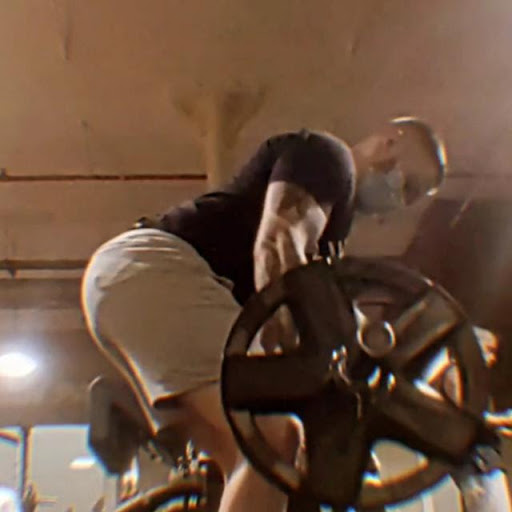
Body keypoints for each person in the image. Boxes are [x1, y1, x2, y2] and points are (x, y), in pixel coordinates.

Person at [81, 117, 445, 512]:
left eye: (412, 197)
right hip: (153, 271)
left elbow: (340, 324)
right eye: (408, 185)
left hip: (133, 289)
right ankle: (130, 408)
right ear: (391, 140)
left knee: (255, 463)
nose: (401, 199)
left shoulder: (332, 236)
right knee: (275, 437)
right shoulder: (329, 159)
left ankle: (128, 408)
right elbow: (278, 246)